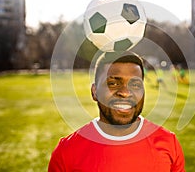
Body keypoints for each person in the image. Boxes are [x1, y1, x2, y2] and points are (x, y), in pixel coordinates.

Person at [48, 51, 185, 172]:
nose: (125, 93)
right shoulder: (66, 152)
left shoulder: (168, 143)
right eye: (113, 83)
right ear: (94, 92)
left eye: (135, 84)